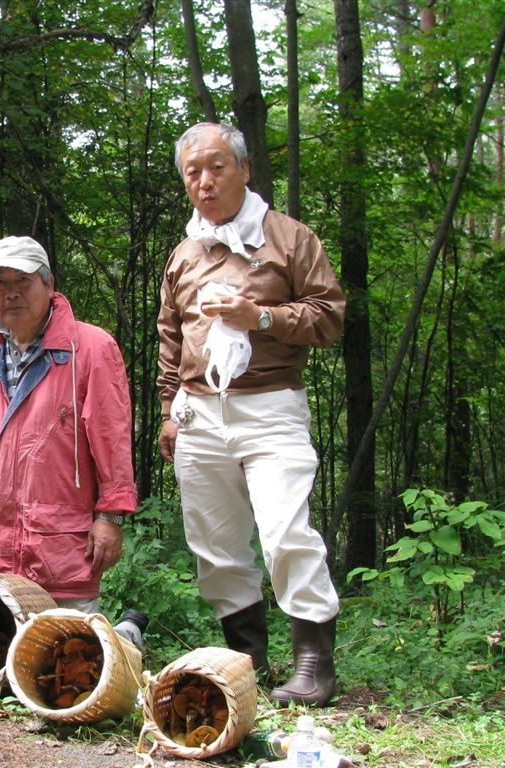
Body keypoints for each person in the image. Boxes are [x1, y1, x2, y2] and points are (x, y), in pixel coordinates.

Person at [156, 123, 345, 706]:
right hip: (198, 412)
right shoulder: (185, 252)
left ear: (244, 169)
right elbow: (170, 334)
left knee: (286, 530)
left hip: (270, 403)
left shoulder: (288, 237)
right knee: (214, 543)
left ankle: (314, 665)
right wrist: (168, 406)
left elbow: (330, 318)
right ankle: (248, 661)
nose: (205, 182)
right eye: (193, 172)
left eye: (216, 167)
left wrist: (258, 317)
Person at [0, 235, 142, 639]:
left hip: (53, 546)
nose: (11, 294)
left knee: (66, 657)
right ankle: (121, 634)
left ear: (49, 284)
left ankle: (126, 636)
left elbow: (112, 437)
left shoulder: (90, 349)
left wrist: (110, 515)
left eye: (22, 281)